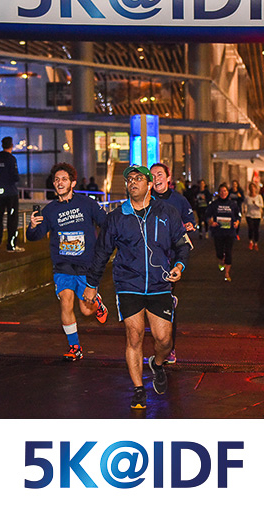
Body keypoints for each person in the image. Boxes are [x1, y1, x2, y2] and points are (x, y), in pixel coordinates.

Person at [84, 165, 191, 410]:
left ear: (149, 184)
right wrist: (91, 284)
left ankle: (158, 364)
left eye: (138, 178)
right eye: (129, 179)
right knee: (134, 336)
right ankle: (139, 390)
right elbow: (101, 252)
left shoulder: (167, 212)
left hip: (160, 284)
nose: (132, 182)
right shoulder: (116, 217)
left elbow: (182, 244)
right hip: (128, 283)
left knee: (164, 340)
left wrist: (179, 266)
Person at [26, 162, 109, 361]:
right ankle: (75, 348)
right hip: (62, 265)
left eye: (64, 179)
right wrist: (32, 226)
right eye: (56, 180)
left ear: (72, 183)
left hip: (86, 265)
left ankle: (97, 303)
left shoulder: (87, 203)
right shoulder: (49, 210)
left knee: (86, 310)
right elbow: (34, 236)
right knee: (66, 301)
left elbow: (106, 223)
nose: (59, 182)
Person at [150, 162, 196, 364]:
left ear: (168, 178)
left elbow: (190, 220)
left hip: (171, 258)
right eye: (152, 175)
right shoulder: (145, 199)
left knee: (165, 306)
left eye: (160, 174)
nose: (156, 178)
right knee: (150, 306)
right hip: (148, 259)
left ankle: (170, 349)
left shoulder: (179, 200)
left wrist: (189, 225)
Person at [206, 182, 241, 282]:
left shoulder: (232, 204)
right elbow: (207, 215)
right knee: (219, 252)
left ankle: (227, 273)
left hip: (230, 232)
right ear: (218, 193)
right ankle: (221, 260)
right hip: (218, 232)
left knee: (228, 252)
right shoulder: (214, 204)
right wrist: (211, 222)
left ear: (228, 192)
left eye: (225, 191)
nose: (223, 193)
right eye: (221, 191)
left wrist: (237, 222)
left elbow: (238, 215)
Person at [242, 182, 264, 251]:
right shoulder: (247, 197)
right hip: (249, 215)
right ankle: (251, 241)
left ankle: (256, 243)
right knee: (251, 228)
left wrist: (256, 204)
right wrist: (244, 209)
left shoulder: (259, 197)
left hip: (257, 215)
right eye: (251, 188)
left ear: (255, 188)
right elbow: (244, 204)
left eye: (253, 187)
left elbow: (262, 205)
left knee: (256, 229)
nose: (252, 189)